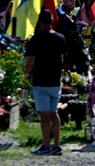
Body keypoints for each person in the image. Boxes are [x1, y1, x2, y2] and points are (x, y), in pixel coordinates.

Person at [25, 10, 66, 156]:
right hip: (55, 80)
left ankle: (46, 145)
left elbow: (31, 61)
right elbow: (62, 60)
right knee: (54, 113)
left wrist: (25, 74)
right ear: (52, 20)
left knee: (44, 116)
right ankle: (57, 145)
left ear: (40, 22)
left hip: (41, 80)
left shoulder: (35, 39)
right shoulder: (60, 38)